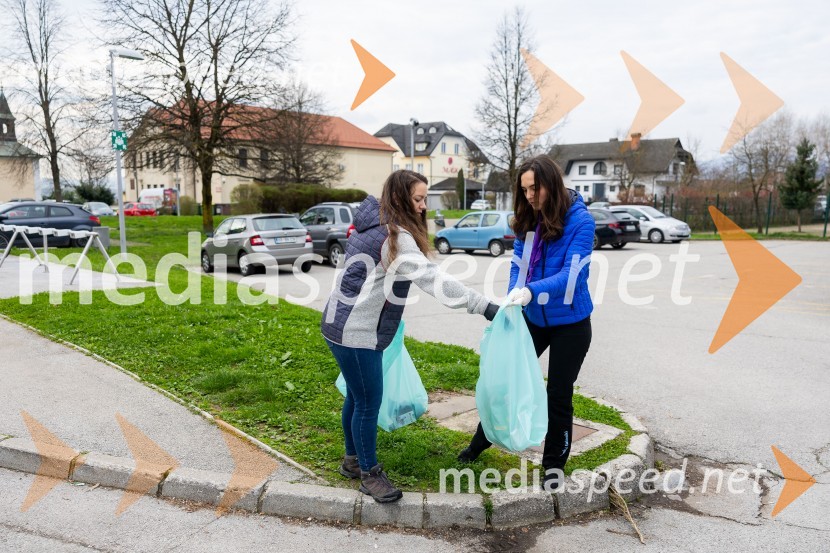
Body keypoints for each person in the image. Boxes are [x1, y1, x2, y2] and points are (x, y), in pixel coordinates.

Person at [321, 169, 499, 503]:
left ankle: (351, 460)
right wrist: (484, 306)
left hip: (336, 323)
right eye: (418, 199)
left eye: (424, 199)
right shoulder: (395, 238)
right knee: (368, 402)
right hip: (355, 332)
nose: (422, 207)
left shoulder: (373, 223)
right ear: (402, 198)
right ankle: (369, 474)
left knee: (357, 397)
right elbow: (434, 280)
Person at [457, 155, 595, 492]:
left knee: (557, 394)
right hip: (531, 317)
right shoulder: (529, 221)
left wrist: (529, 292)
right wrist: (512, 297)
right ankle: (480, 443)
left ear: (552, 184)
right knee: (503, 382)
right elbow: (518, 266)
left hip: (571, 324)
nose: (530, 195)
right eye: (525, 190)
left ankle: (553, 466)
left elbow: (571, 277)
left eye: (536, 188)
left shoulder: (581, 221)